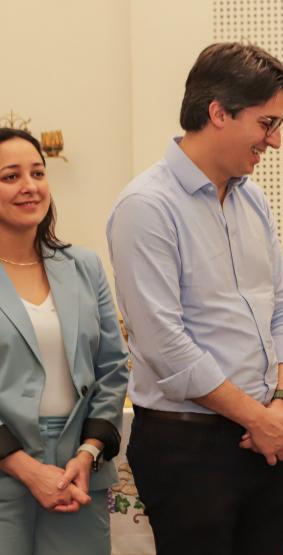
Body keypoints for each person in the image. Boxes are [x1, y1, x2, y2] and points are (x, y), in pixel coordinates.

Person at [106, 43, 283, 555]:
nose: (277, 141)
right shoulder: (146, 207)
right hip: (189, 449)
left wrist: (281, 402)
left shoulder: (253, 198)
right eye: (267, 124)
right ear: (218, 113)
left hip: (264, 439)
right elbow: (165, 347)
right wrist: (256, 417)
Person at [0, 128, 129, 554]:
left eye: (37, 172)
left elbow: (112, 366)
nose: (29, 186)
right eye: (10, 176)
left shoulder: (84, 266)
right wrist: (24, 468)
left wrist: (89, 452)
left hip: (79, 467)